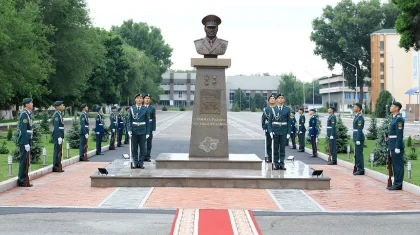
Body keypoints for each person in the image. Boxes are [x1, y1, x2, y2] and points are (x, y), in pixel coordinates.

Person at [267, 93, 290, 170]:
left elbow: (289, 122)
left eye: (282, 98)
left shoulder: (287, 109)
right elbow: (269, 122)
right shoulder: (273, 109)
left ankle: (282, 164)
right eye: (279, 98)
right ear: (276, 100)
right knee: (275, 148)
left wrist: (288, 133)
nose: (281, 99)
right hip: (275, 131)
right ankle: (276, 164)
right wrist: (270, 131)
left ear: (284, 100)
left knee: (282, 149)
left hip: (283, 131)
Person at [127, 94, 150, 169]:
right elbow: (129, 121)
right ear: (135, 100)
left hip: (143, 131)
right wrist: (129, 130)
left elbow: (147, 121)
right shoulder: (132, 109)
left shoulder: (145, 109)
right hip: (134, 130)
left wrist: (148, 132)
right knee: (134, 148)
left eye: (140, 98)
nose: (139, 99)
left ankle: (141, 163)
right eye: (138, 98)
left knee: (143, 148)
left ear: (142, 100)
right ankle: (135, 162)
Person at [387, 101, 405, 190]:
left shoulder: (399, 119)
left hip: (396, 145)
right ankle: (396, 182)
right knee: (394, 164)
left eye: (392, 106)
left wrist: (397, 146)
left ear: (397, 108)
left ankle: (398, 184)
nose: (390, 107)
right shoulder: (394, 118)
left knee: (398, 165)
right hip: (392, 144)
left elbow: (399, 134)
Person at [17, 98, 33, 187]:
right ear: (26, 104)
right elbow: (23, 129)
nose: (32, 104)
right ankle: (22, 180)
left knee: (26, 160)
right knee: (24, 160)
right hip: (24, 140)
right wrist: (26, 142)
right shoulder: (24, 114)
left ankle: (24, 178)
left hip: (27, 139)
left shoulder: (27, 114)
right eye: (30, 103)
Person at [261, 94, 276, 162]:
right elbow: (263, 118)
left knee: (276, 143)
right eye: (271, 98)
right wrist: (264, 126)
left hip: (276, 128)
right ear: (269, 101)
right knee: (269, 143)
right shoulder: (266, 109)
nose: (272, 99)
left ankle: (275, 157)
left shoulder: (277, 108)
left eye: (273, 98)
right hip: (268, 128)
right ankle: (269, 157)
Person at [52, 101, 65, 172]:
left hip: (60, 134)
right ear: (57, 107)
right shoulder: (56, 115)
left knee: (59, 151)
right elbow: (56, 127)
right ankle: (55, 166)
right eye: (61, 105)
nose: (63, 106)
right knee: (57, 151)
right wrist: (59, 137)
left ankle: (58, 165)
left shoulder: (59, 114)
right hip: (57, 135)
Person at [353, 103, 365, 175]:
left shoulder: (360, 117)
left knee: (359, 154)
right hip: (356, 137)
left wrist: (358, 139)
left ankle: (361, 169)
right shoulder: (357, 116)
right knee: (357, 154)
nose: (353, 108)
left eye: (355, 107)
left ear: (358, 108)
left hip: (359, 138)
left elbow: (359, 129)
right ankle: (358, 168)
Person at [143, 94, 156, 162]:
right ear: (143, 99)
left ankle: (148, 156)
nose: (147, 99)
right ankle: (143, 156)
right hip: (142, 127)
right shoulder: (141, 107)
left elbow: (153, 118)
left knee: (149, 143)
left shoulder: (152, 108)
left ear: (150, 100)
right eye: (146, 98)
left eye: (148, 98)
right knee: (142, 143)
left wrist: (153, 128)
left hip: (150, 127)